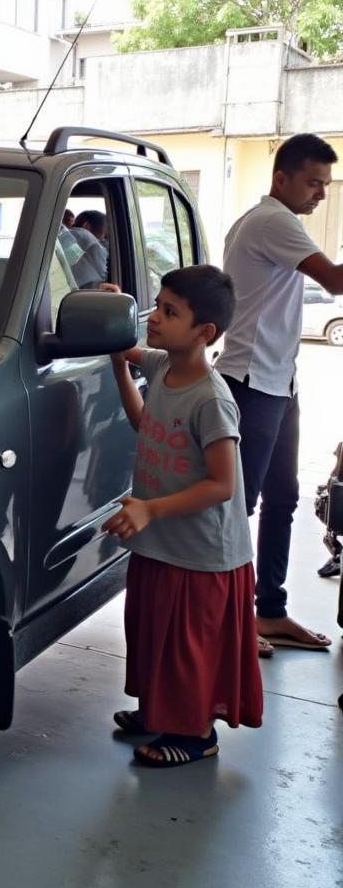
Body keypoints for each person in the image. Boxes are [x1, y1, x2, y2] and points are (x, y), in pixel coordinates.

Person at [101, 267, 262, 766]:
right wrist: (114, 321)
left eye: (169, 312)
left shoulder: (212, 400)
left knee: (187, 650)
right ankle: (158, 713)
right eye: (156, 306)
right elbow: (143, 421)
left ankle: (195, 737)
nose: (154, 319)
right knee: (153, 633)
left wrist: (150, 508)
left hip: (201, 553)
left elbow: (222, 484)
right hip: (163, 541)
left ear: (204, 333)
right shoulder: (160, 366)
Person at [219, 133, 343, 652]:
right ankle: (228, 622)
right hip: (250, 382)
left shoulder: (276, 222)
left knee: (284, 498)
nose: (320, 194)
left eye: (325, 185)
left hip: (277, 381)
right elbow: (336, 282)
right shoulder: (273, 220)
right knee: (237, 507)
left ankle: (268, 611)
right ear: (281, 179)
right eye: (313, 182)